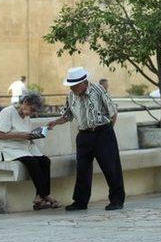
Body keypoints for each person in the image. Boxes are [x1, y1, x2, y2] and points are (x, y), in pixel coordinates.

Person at [46, 67, 124, 211]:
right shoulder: (71, 95)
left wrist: (108, 132)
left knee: (111, 168)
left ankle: (117, 200)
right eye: (70, 85)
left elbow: (113, 112)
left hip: (102, 132)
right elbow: (68, 115)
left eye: (75, 85)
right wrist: (55, 122)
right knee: (82, 169)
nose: (73, 88)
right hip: (83, 135)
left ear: (83, 82)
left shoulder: (98, 90)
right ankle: (80, 202)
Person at [0, 92, 60, 210]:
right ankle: (46, 196)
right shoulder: (7, 112)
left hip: (23, 146)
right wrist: (20, 135)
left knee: (45, 161)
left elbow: (25, 132)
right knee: (32, 162)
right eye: (32, 109)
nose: (32, 113)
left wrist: (36, 134)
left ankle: (39, 196)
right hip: (9, 148)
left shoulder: (26, 116)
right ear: (25, 103)